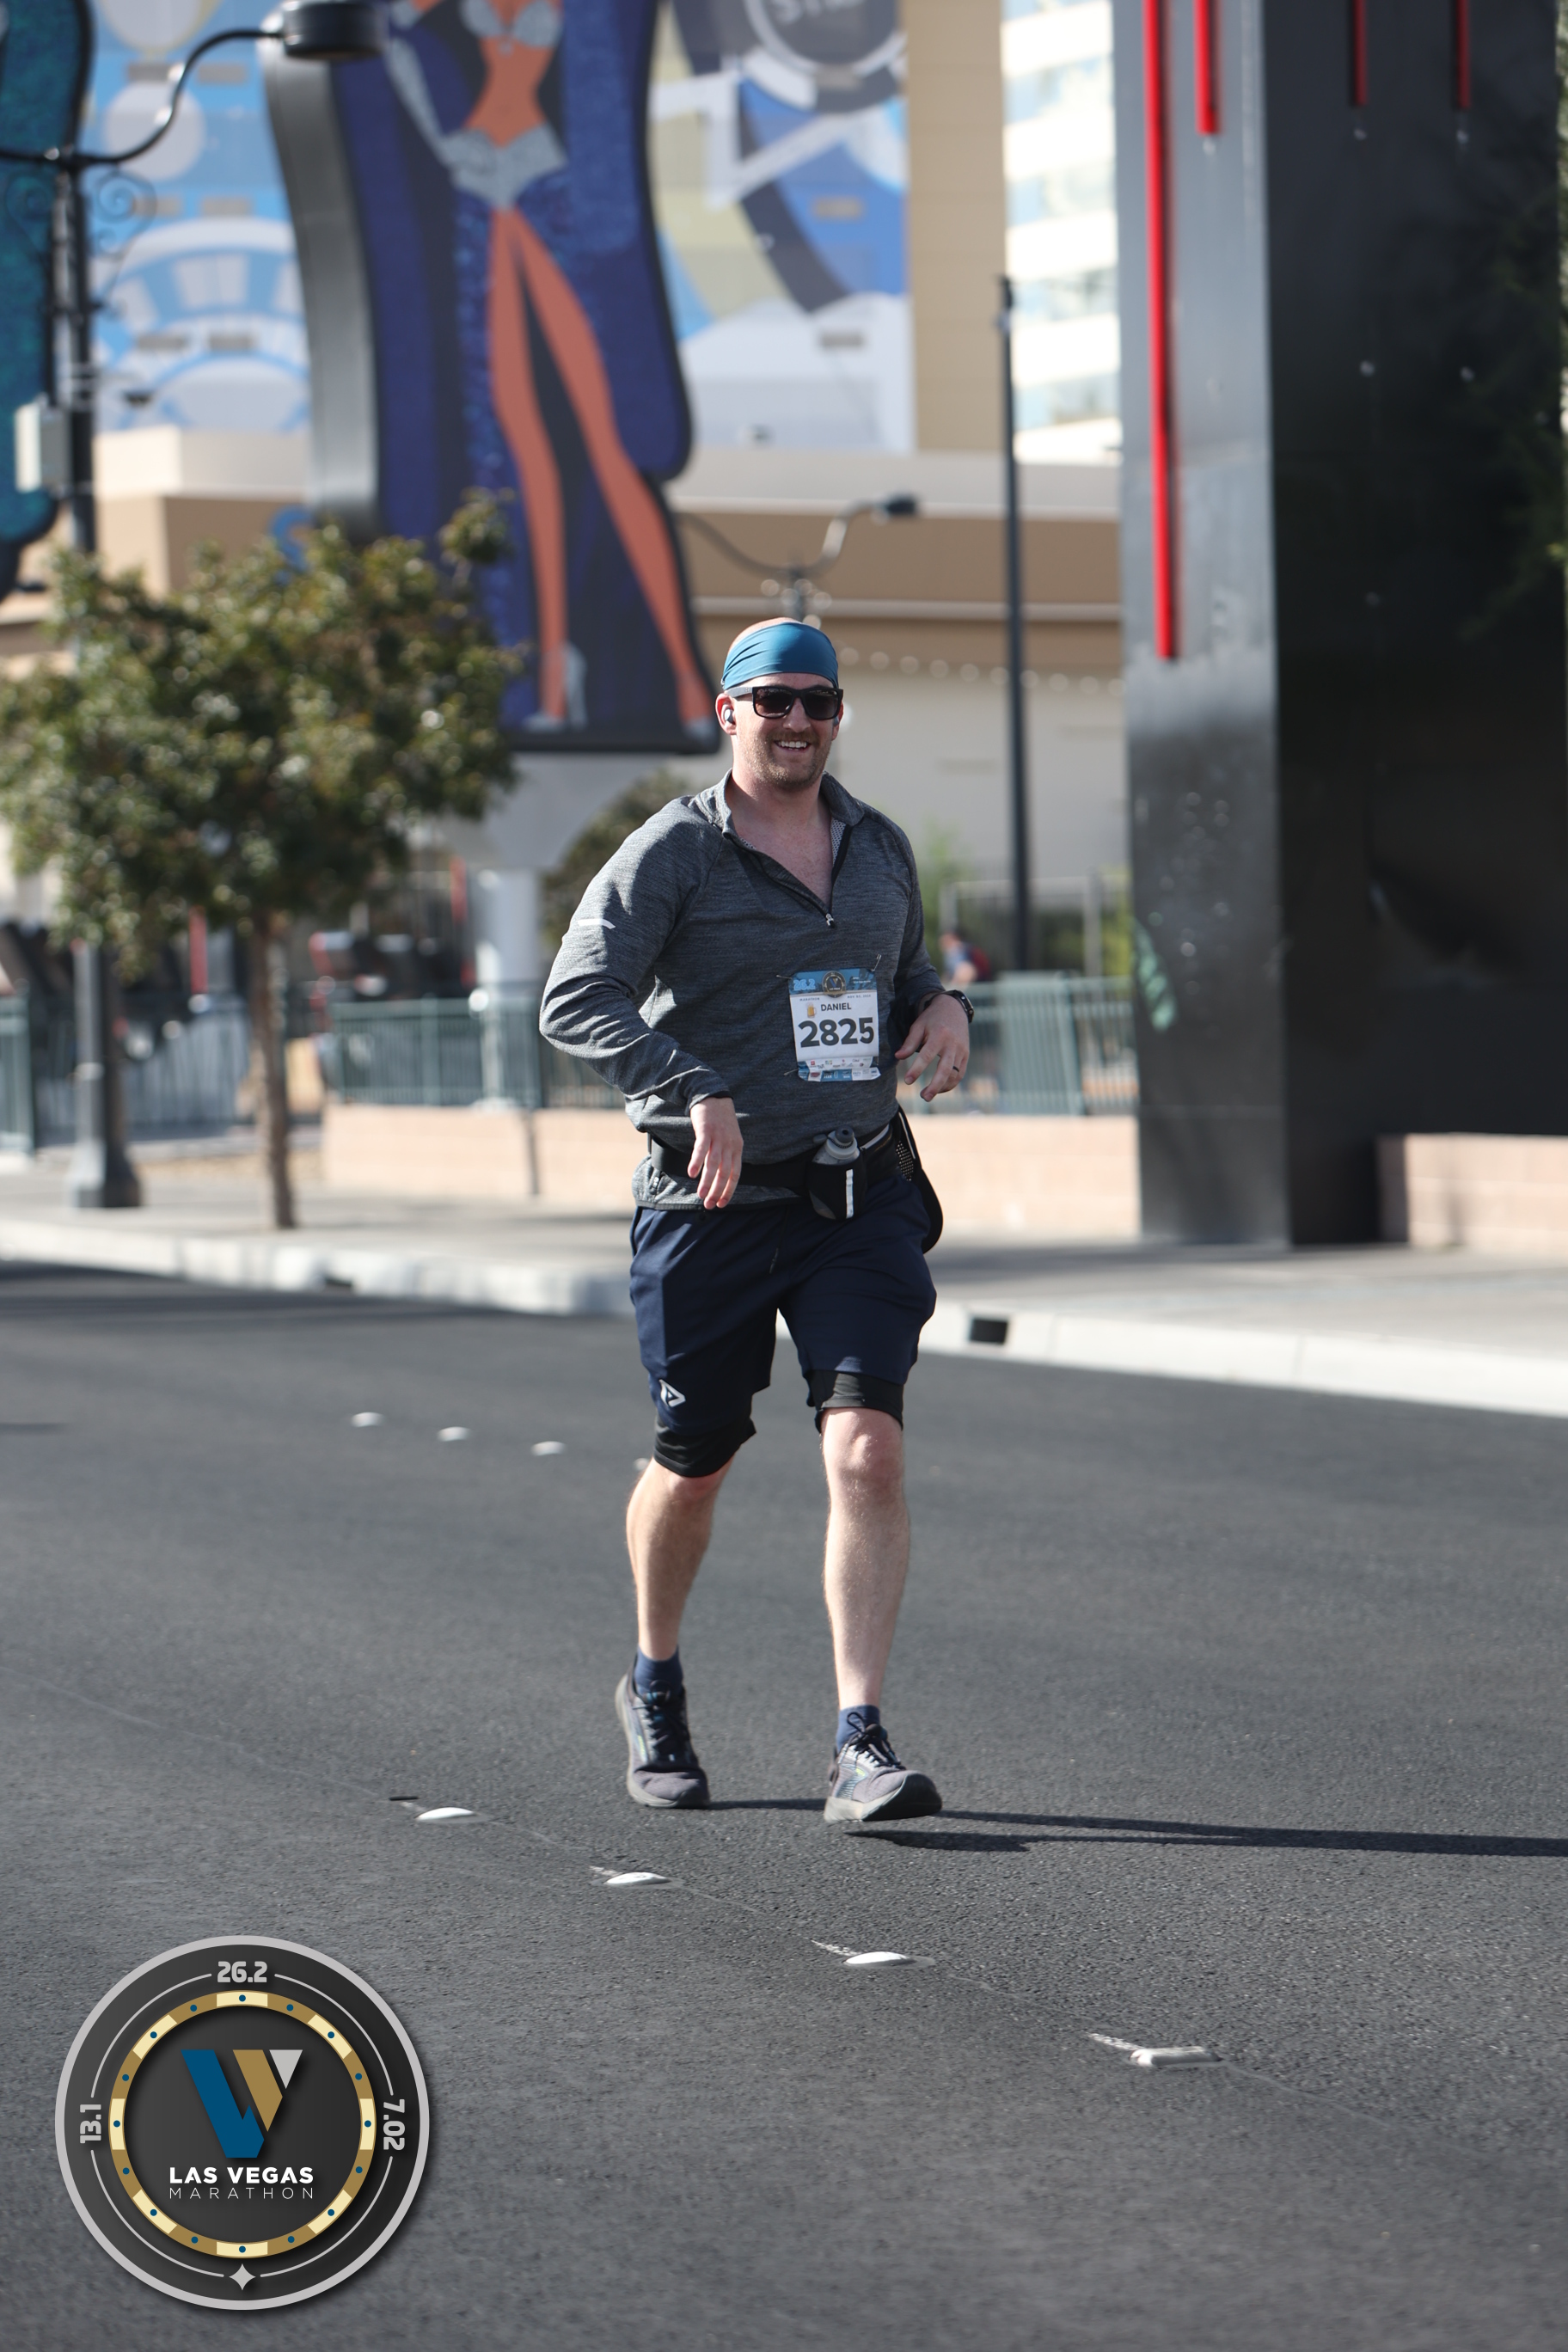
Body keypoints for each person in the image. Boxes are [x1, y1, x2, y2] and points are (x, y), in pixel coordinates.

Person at [540, 618, 974, 1823]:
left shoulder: (876, 844)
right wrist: (692, 1085)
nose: (796, 721)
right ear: (728, 712)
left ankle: (859, 1743)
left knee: (868, 1449)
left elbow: (902, 973)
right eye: (772, 700)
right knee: (695, 1465)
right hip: (712, 1207)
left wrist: (944, 1004)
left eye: (817, 702)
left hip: (855, 1195)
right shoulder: (674, 852)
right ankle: (654, 1681)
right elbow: (575, 998)